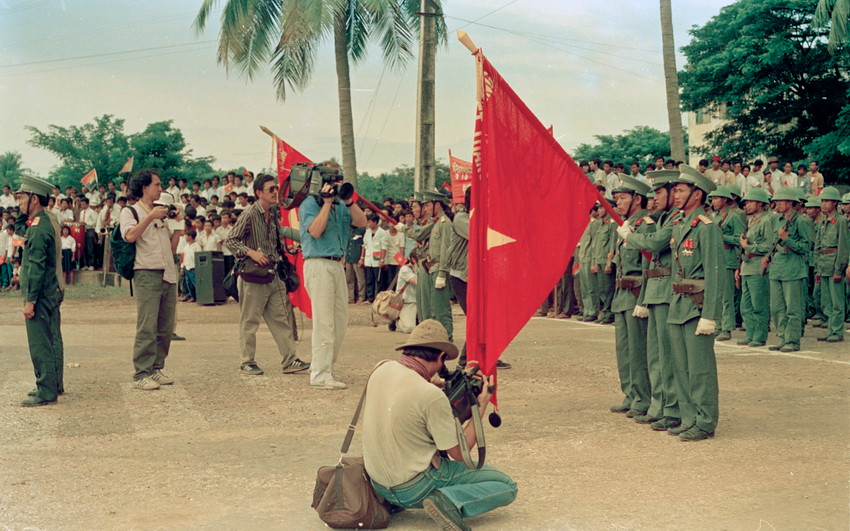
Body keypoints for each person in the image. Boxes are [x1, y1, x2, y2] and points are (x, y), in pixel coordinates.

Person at [362, 320, 517, 530]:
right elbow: (460, 454)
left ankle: (400, 501)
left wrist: (441, 384)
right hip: (413, 489)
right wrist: (480, 406)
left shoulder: (381, 368)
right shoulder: (430, 396)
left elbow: (405, 394)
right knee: (506, 486)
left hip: (379, 485)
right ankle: (448, 501)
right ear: (441, 356)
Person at [225, 174, 310, 376]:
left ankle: (290, 360)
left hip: (273, 274)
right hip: (253, 276)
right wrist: (251, 252)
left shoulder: (273, 214)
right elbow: (231, 240)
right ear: (259, 193)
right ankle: (247, 361)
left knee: (280, 319)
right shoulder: (249, 214)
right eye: (271, 189)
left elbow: (276, 240)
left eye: (276, 188)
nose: (275, 192)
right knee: (250, 321)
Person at [619, 170, 682, 432]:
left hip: (667, 289)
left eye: (659, 192)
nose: (653, 198)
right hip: (654, 288)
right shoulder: (663, 218)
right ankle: (659, 405)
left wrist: (629, 236)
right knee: (655, 355)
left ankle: (669, 407)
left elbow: (655, 244)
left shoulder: (673, 220)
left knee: (665, 356)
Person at [298, 163, 367, 389]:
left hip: (337, 264)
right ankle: (320, 375)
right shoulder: (309, 204)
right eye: (333, 181)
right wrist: (326, 204)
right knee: (324, 321)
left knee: (340, 319)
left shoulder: (341, 205)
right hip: (318, 264)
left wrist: (347, 200)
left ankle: (323, 364)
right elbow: (315, 231)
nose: (336, 185)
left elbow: (361, 222)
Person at [667, 165, 723, 441]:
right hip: (678, 303)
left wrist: (710, 315)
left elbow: (715, 273)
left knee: (700, 368)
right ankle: (690, 418)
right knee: (681, 366)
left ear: (697, 194)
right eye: (675, 190)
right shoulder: (679, 224)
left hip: (697, 305)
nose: (675, 195)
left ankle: (705, 420)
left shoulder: (706, 227)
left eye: (681, 190)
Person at [120, 169, 181, 390]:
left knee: (165, 326)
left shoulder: (162, 213)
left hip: (167, 271)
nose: (160, 188)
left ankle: (156, 367)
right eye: (157, 184)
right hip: (146, 272)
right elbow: (129, 236)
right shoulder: (131, 211)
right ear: (144, 187)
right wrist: (150, 217)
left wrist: (177, 225)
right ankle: (141, 373)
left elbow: (172, 247)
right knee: (147, 325)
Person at [15, 175, 66, 406]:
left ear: (33, 199)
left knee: (40, 341)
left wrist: (30, 301)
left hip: (41, 292)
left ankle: (46, 390)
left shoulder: (37, 229)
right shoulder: (46, 220)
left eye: (22, 198)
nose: (18, 203)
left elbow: (35, 266)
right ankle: (54, 383)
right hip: (51, 289)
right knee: (52, 337)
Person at [609, 176, 654, 420]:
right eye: (616, 198)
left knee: (638, 350)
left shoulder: (645, 225)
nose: (618, 203)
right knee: (624, 350)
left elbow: (648, 264)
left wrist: (643, 300)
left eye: (623, 198)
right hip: (622, 294)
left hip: (636, 292)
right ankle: (630, 393)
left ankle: (643, 397)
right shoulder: (625, 225)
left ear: (637, 199)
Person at [765, 187, 810, 352]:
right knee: (777, 308)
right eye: (777, 201)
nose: (778, 204)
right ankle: (783, 338)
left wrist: (787, 239)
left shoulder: (801, 221)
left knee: (792, 308)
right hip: (777, 267)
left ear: (791, 203)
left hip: (793, 267)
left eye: (782, 201)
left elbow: (806, 247)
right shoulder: (777, 220)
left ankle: (792, 341)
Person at [736, 189, 774, 347]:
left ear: (760, 203)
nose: (747, 205)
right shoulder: (751, 221)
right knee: (746, 305)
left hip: (758, 265)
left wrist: (749, 247)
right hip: (747, 265)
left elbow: (768, 245)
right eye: (746, 202)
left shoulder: (766, 221)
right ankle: (751, 334)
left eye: (750, 202)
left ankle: (759, 336)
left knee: (759, 304)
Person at [813, 187, 848, 342]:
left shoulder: (840, 221)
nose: (824, 204)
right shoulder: (823, 222)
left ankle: (837, 331)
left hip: (834, 264)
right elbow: (818, 247)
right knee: (826, 301)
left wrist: (839, 270)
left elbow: (842, 248)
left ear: (835, 203)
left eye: (827, 201)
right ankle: (830, 329)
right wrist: (818, 269)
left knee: (837, 301)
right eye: (822, 201)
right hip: (824, 264)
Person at [361, 213, 388, 303]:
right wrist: (362, 257)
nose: (368, 224)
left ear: (375, 222)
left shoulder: (382, 233)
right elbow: (364, 245)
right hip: (369, 259)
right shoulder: (367, 232)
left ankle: (379, 298)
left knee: (379, 279)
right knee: (369, 279)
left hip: (378, 258)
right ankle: (370, 298)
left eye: (370, 222)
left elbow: (384, 247)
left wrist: (382, 260)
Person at [396, 251, 418, 333]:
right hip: (408, 301)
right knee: (409, 328)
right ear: (413, 259)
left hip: (420, 302)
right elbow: (415, 280)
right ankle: (397, 322)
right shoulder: (405, 269)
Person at [344, 224, 367, 303]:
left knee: (360, 279)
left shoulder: (362, 230)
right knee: (349, 279)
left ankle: (361, 297)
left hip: (357, 257)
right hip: (349, 257)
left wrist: (362, 258)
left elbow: (364, 245)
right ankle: (350, 297)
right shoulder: (348, 230)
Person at [181, 229, 200, 303]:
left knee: (195, 283)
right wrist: (182, 267)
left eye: (186, 236)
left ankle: (199, 297)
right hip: (187, 267)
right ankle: (193, 297)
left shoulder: (197, 246)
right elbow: (183, 257)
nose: (185, 238)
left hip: (194, 267)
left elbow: (198, 258)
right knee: (188, 283)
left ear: (190, 237)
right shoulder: (185, 246)